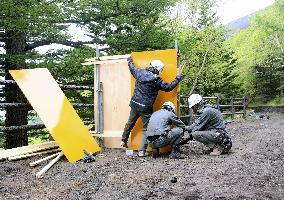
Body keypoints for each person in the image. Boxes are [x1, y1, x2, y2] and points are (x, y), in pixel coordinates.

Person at [121, 56, 183, 157]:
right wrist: (177, 79)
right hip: (145, 107)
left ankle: (123, 140)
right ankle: (142, 151)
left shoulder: (140, 72)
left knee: (130, 123)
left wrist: (130, 61)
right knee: (146, 128)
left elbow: (132, 69)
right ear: (158, 69)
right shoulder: (156, 80)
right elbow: (168, 87)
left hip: (135, 104)